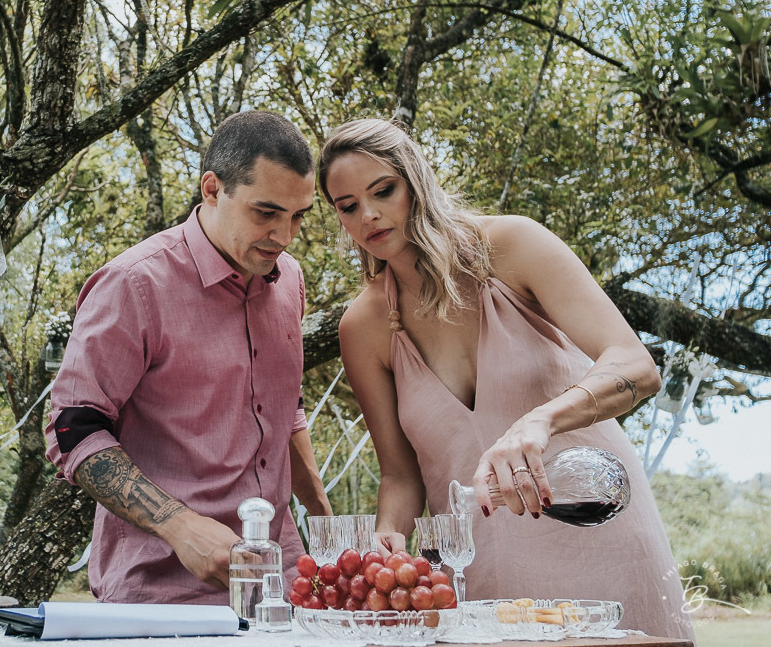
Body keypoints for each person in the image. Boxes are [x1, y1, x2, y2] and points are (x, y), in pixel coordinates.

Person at [318, 118, 693, 640]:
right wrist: (387, 537)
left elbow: (635, 365)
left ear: (416, 181)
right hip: (477, 573)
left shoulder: (513, 244)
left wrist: (541, 421)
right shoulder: (362, 327)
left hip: (598, 532)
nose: (369, 215)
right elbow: (400, 475)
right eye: (348, 206)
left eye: (383, 191)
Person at [45, 110, 333, 605]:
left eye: (298, 216)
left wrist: (326, 524)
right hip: (161, 595)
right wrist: (179, 526)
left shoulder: (290, 279)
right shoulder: (134, 284)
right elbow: (72, 428)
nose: (284, 236)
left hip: (281, 587)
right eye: (266, 213)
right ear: (213, 189)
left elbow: (285, 407)